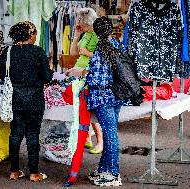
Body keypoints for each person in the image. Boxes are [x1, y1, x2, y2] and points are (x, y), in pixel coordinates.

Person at [0, 21, 52, 182]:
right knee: (32, 134)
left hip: (14, 99)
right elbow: (47, 77)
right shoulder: (38, 52)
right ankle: (34, 173)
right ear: (30, 35)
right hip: (34, 100)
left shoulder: (7, 52)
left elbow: (2, 76)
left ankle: (14, 171)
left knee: (15, 134)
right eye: (35, 33)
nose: (36, 36)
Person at [84, 16, 123, 187]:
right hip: (117, 96)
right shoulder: (117, 45)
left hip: (103, 98)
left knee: (110, 136)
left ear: (96, 30)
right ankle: (104, 170)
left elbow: (96, 80)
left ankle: (113, 174)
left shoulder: (100, 50)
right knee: (110, 135)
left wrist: (86, 76)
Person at [68, 7, 103, 154]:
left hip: (90, 73)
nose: (79, 24)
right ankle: (87, 136)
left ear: (88, 23)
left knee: (91, 107)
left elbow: (103, 57)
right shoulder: (86, 34)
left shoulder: (99, 35)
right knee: (82, 106)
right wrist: (76, 35)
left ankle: (100, 141)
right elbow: (72, 53)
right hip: (79, 71)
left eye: (81, 22)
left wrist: (87, 53)